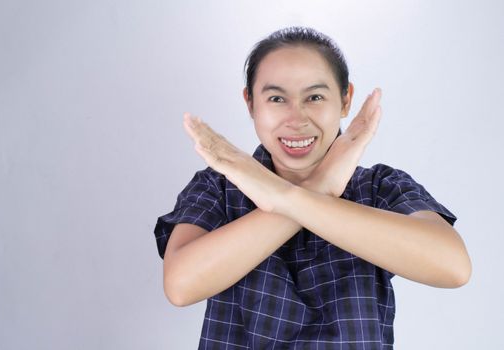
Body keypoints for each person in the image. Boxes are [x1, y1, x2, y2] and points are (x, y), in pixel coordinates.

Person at [154, 26, 471, 349]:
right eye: (277, 98)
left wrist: (284, 197)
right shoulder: (218, 187)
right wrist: (321, 188)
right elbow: (181, 286)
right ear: (250, 103)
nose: (297, 118)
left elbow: (453, 266)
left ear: (346, 99)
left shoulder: (378, 187)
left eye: (315, 97)